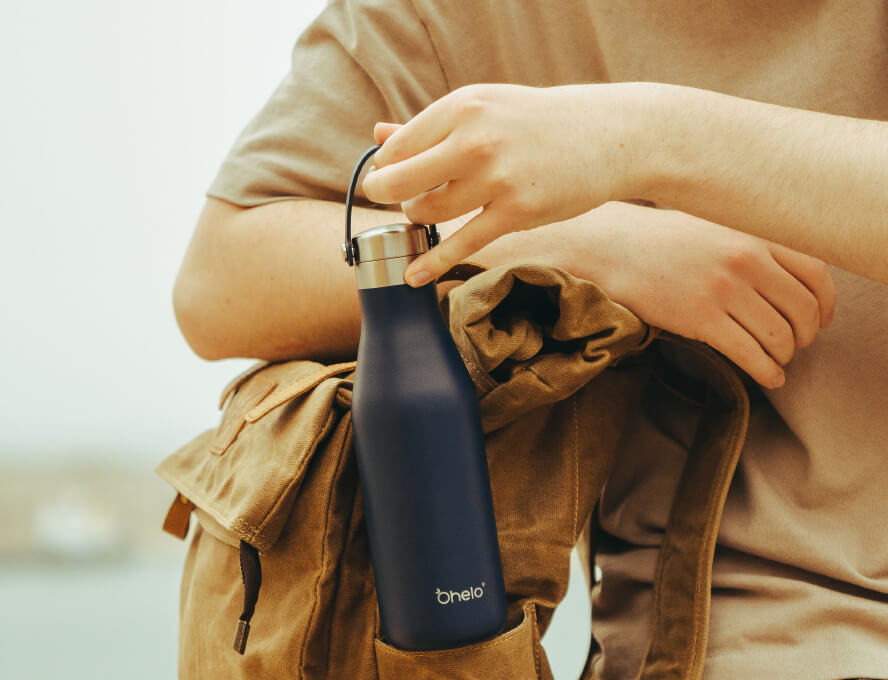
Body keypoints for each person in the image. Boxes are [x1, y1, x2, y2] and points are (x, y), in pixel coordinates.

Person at [172, 1, 888, 678]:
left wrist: (650, 140)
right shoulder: (448, 15)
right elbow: (221, 280)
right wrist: (569, 242)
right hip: (745, 643)